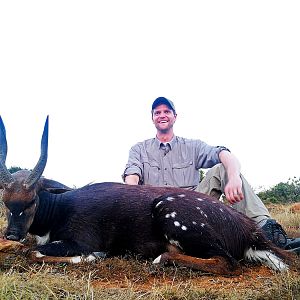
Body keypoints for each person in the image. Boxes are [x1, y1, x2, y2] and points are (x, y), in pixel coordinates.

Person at [122, 96, 300, 254]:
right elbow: (132, 176)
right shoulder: (139, 149)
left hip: (191, 204)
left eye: (167, 111)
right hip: (157, 211)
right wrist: (133, 199)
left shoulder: (192, 146)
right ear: (152, 118)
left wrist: (234, 177)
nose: (162, 115)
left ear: (175, 117)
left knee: (222, 169)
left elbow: (224, 154)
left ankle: (269, 234)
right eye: (157, 112)